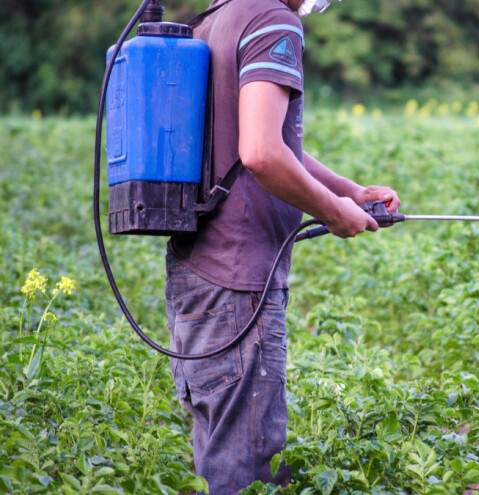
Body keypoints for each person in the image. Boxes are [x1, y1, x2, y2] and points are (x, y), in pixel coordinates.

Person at [164, 0, 400, 492]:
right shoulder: (273, 20)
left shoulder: (218, 17)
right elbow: (260, 152)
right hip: (238, 283)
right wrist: (333, 213)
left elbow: (262, 139)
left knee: (222, 454)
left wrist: (349, 192)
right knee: (245, 468)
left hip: (199, 271)